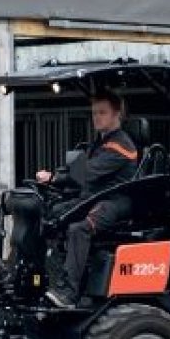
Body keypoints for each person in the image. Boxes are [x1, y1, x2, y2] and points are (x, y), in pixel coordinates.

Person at [37, 90, 139, 308]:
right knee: (50, 215)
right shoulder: (99, 143)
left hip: (115, 201)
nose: (97, 117)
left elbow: (87, 172)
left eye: (102, 113)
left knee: (79, 229)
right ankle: (45, 279)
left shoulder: (121, 145)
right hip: (95, 198)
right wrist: (56, 178)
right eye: (94, 113)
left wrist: (54, 177)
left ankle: (69, 293)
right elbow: (77, 168)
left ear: (116, 115)